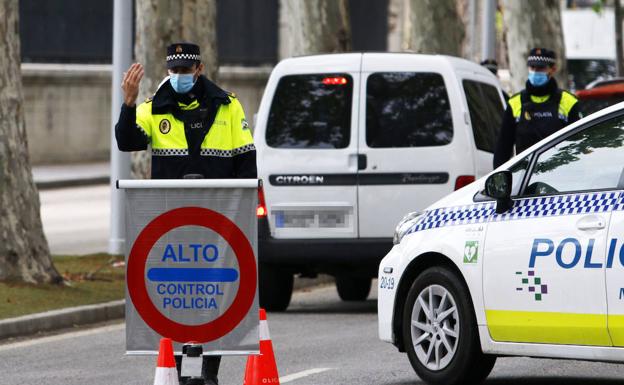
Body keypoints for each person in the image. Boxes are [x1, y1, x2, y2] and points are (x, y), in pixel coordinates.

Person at [115, 42, 257, 385]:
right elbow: (127, 141)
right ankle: (180, 370)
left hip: (219, 222)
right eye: (174, 70)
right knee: (176, 299)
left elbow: (247, 162)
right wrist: (129, 103)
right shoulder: (155, 107)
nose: (179, 76)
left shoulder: (227, 105)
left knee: (217, 298)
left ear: (199, 69)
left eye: (185, 70)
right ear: (168, 71)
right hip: (172, 225)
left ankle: (210, 372)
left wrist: (242, 215)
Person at [493, 48, 582, 168]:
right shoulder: (515, 102)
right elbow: (503, 148)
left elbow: (578, 145)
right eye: (532, 68)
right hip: (525, 177)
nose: (535, 72)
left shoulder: (568, 101)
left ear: (553, 70)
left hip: (560, 175)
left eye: (541, 68)